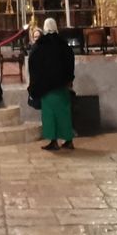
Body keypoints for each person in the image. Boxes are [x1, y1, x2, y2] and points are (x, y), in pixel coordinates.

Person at [29, 18, 76, 152]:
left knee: (50, 115)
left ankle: (53, 141)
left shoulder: (41, 44)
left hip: (46, 87)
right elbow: (70, 62)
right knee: (64, 114)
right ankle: (68, 140)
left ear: (44, 27)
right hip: (62, 85)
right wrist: (69, 79)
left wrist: (34, 83)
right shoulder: (63, 43)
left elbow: (34, 64)